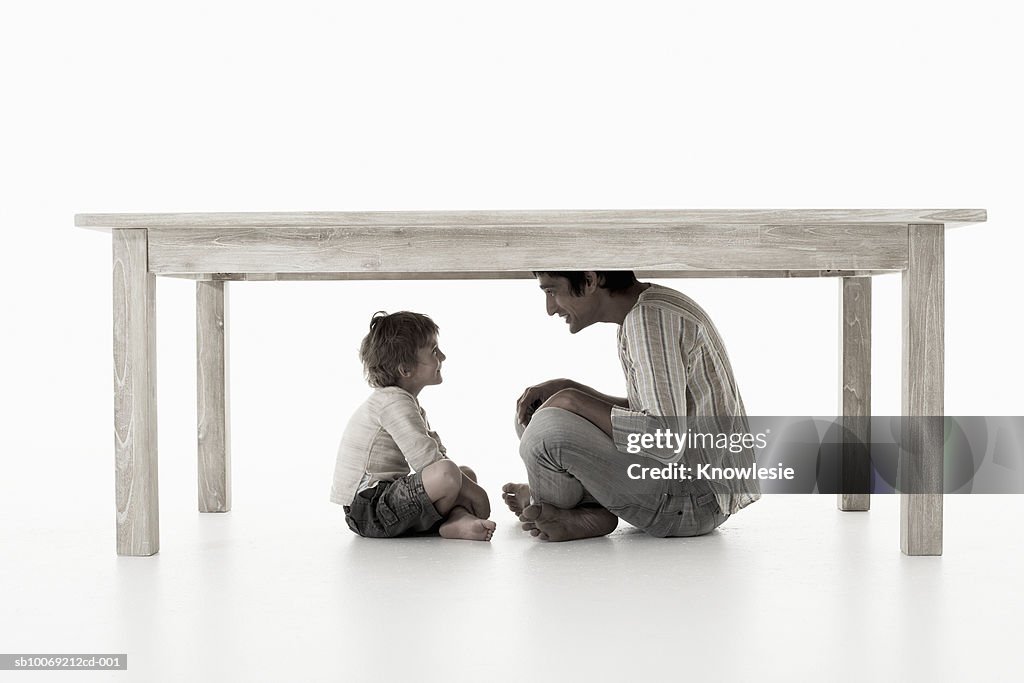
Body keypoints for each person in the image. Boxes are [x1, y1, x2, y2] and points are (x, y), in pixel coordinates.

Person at [502, 271, 760, 541]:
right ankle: (580, 506)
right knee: (536, 411)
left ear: (590, 280)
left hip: (691, 503)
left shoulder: (649, 323)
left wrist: (572, 400)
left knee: (544, 432)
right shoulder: (649, 307)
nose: (550, 309)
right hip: (692, 487)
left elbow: (665, 439)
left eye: (551, 291)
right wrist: (572, 390)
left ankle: (565, 509)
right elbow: (660, 412)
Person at [331, 311, 496, 541]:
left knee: (463, 473)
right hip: (369, 507)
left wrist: (463, 483)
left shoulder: (405, 401)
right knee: (449, 473)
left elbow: (436, 452)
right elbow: (427, 460)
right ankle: (452, 518)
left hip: (383, 503)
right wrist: (475, 493)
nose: (443, 357)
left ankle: (455, 522)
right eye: (434, 351)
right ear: (405, 369)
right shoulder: (392, 402)